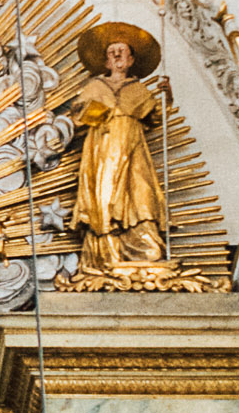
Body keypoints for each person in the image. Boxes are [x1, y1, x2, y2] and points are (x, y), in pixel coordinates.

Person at [65, 26, 172, 278]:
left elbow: (155, 117)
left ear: (131, 60)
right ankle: (106, 251)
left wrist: (166, 95)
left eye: (122, 51)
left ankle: (144, 244)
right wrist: (99, 111)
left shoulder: (138, 89)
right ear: (105, 61)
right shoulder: (95, 86)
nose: (116, 56)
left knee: (141, 193)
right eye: (112, 52)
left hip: (133, 148)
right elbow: (77, 118)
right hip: (103, 148)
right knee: (104, 197)